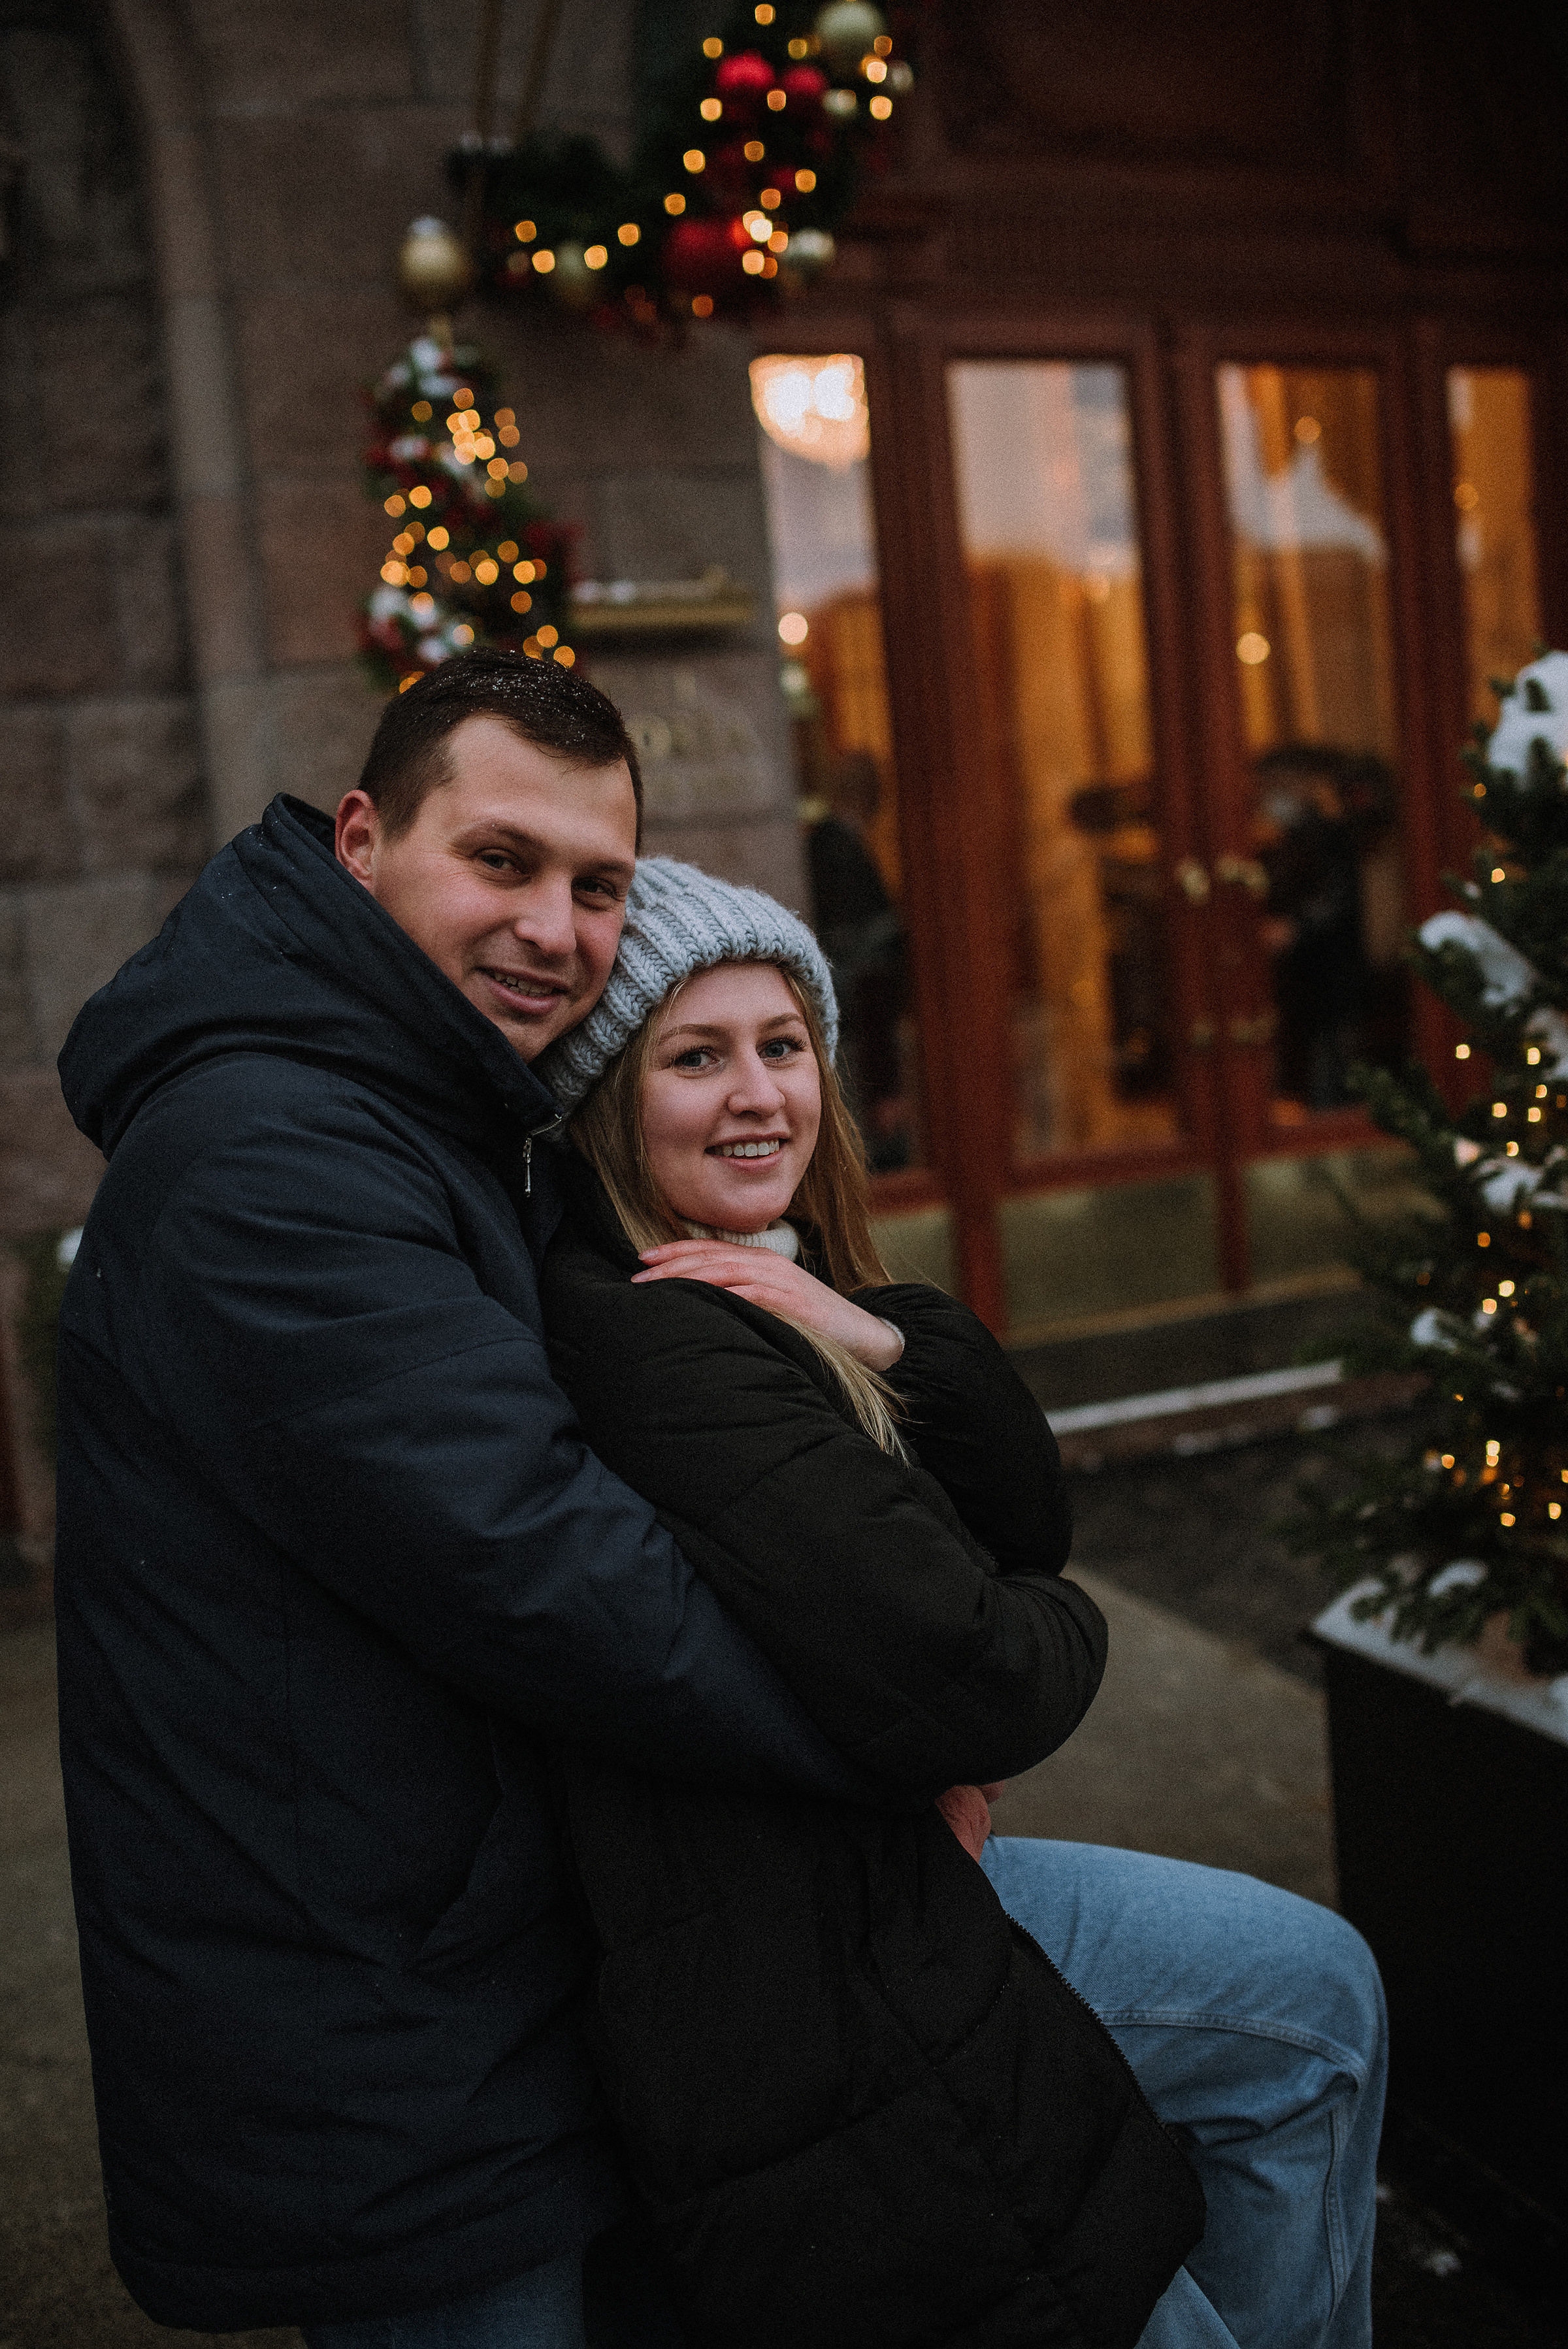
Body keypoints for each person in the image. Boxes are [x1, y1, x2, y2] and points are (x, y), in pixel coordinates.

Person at [51, 653, 1079, 2347]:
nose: (554, 925)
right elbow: (549, 1569)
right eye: (504, 859)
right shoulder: (277, 1151)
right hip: (383, 2035)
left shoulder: (412, 1097)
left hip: (472, 1972)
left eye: (597, 883)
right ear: (366, 838)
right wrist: (898, 1749)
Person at [531, 858, 1389, 2349]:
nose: (758, 1095)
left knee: (1319, 1987)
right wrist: (1056, 1623)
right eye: (696, 1055)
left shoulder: (765, 1286)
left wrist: (876, 1329)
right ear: (612, 1097)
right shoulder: (666, 1337)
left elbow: (1023, 1511)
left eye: (783, 1045)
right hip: (816, 1951)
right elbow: (983, 1663)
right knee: (1309, 2019)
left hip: (866, 1876)